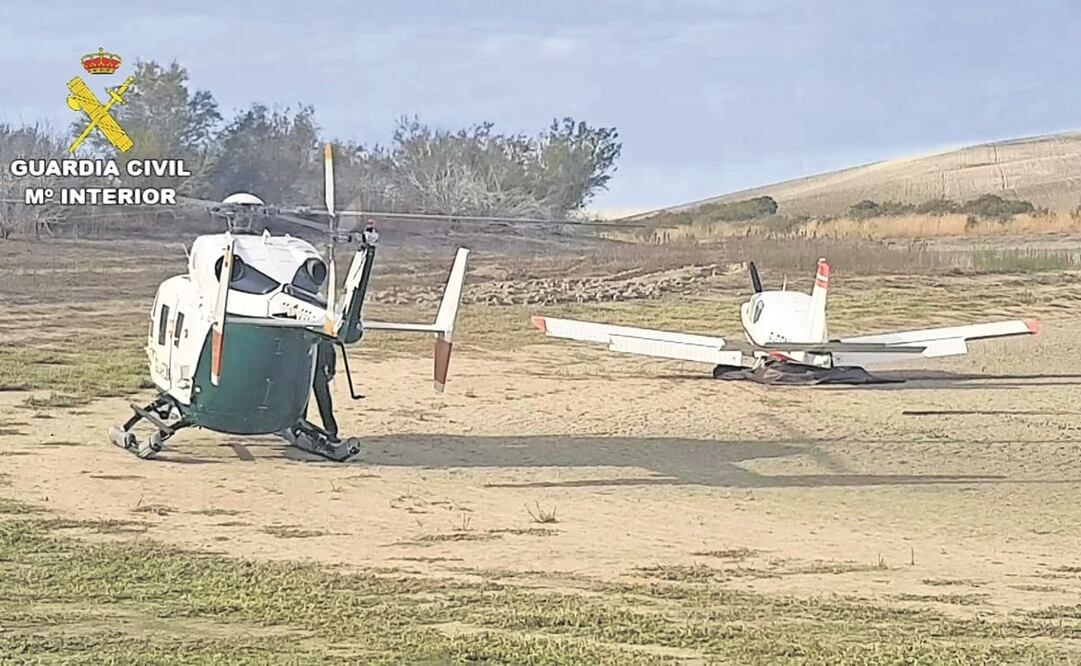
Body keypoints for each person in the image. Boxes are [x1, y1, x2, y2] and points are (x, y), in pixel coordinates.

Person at [311, 339, 338, 440]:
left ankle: (331, 431)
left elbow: (331, 352)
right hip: (307, 369)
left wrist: (331, 370)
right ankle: (298, 427)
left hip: (319, 370)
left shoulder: (323, 336)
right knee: (303, 402)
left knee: (325, 402)